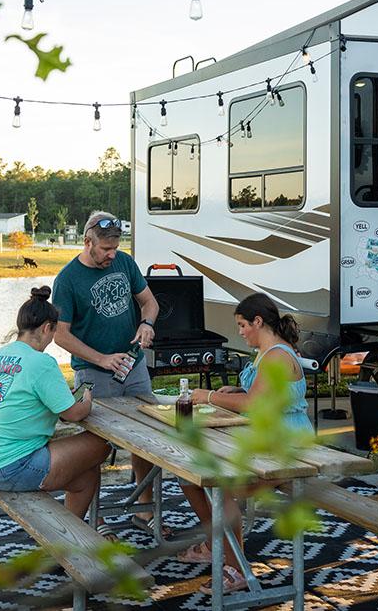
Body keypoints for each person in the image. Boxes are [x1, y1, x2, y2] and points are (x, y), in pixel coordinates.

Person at [178, 292, 314, 593]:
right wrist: (236, 388)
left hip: (287, 444)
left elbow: (253, 403)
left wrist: (209, 396)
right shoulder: (266, 351)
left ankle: (236, 569)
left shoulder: (278, 354)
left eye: (242, 325)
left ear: (258, 321)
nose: (239, 332)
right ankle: (219, 544)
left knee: (220, 484)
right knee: (187, 474)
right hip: (266, 437)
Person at [53, 211, 163, 535]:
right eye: (105, 249)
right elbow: (61, 334)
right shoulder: (67, 279)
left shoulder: (124, 263)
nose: (111, 255)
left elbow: (149, 303)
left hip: (134, 365)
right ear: (88, 242)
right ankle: (94, 516)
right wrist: (101, 359)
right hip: (94, 372)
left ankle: (144, 511)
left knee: (147, 435)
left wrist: (146, 323)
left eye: (115, 248)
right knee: (96, 445)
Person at [0, 286, 110, 520]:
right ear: (47, 328)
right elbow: (72, 414)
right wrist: (87, 400)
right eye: (53, 333)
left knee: (86, 474)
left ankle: (73, 533)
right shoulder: (41, 362)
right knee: (101, 444)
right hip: (12, 466)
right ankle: (70, 538)